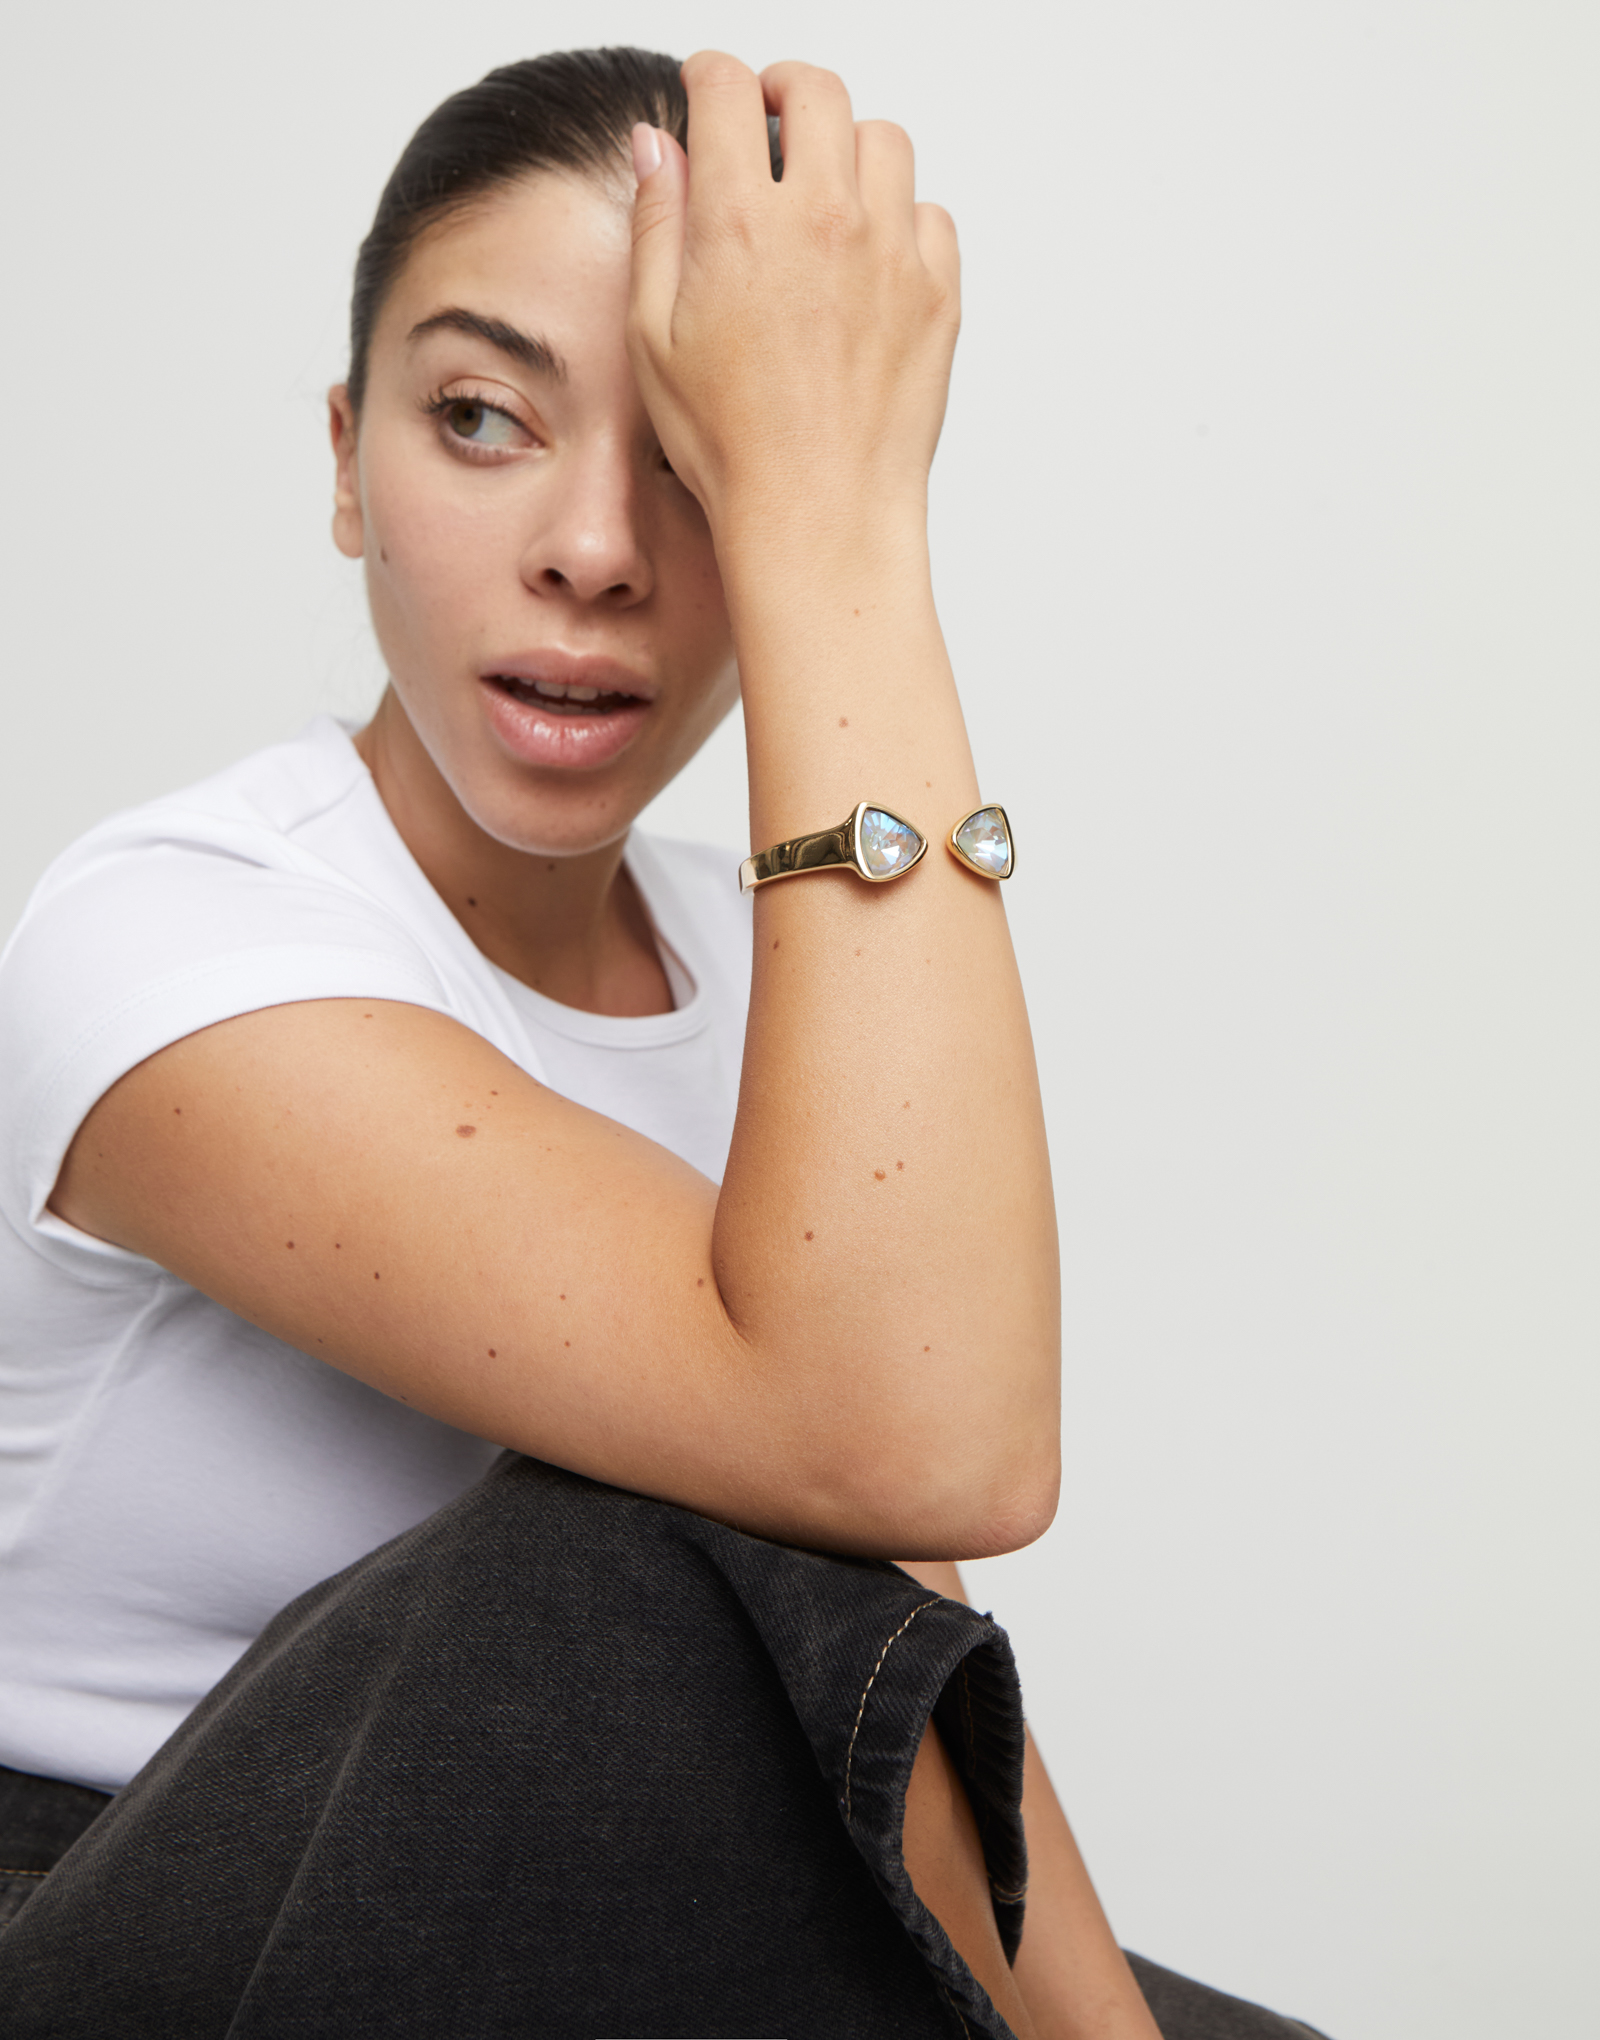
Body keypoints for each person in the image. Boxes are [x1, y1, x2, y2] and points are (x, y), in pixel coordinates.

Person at [0, 45, 1329, 2038]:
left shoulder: (748, 950)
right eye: (479, 420)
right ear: (346, 462)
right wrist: (829, 510)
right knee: (621, 1537)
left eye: (695, 469)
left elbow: (895, 1567)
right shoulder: (162, 931)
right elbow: (904, 1430)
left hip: (550, 1916)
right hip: (109, 1919)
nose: (595, 551)